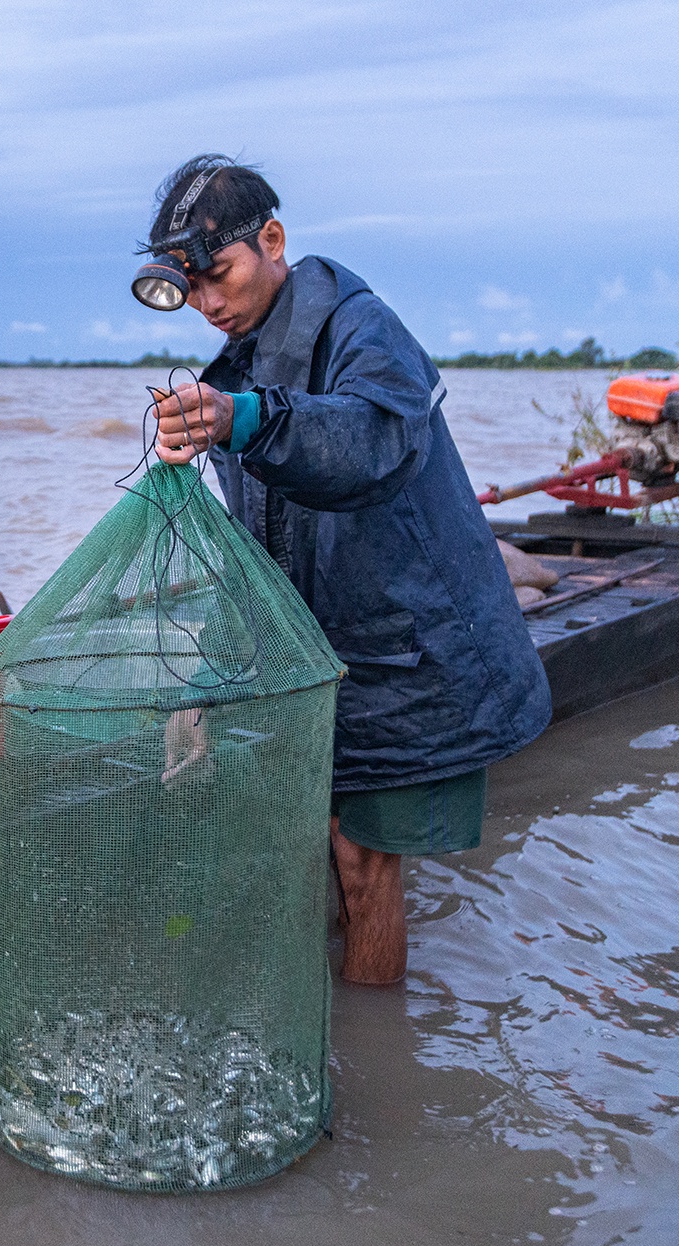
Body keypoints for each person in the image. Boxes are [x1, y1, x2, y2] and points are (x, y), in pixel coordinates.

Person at [134, 156, 551, 985]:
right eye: (193, 292)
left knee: (364, 867)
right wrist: (207, 681)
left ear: (274, 240)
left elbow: (365, 441)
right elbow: (260, 547)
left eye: (220, 275)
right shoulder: (243, 358)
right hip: (329, 645)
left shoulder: (364, 329)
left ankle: (378, 1054)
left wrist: (242, 417)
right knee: (316, 857)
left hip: (409, 650)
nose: (210, 305)